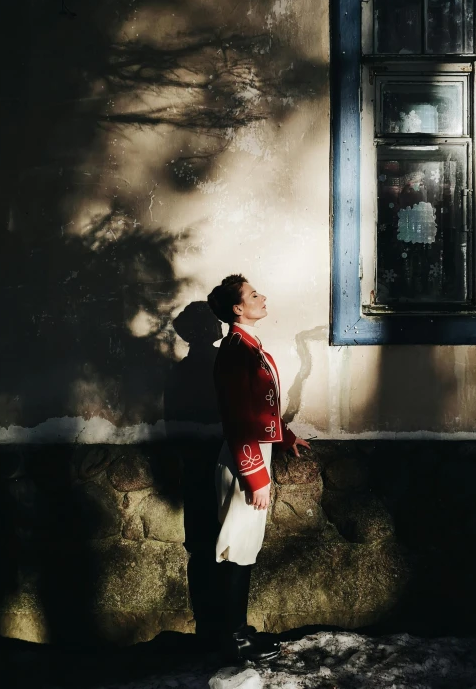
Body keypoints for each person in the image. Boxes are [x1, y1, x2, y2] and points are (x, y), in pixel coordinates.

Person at [207, 274, 310, 661]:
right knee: (237, 547)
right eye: (253, 295)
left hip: (254, 453)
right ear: (238, 308)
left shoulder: (249, 347)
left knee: (246, 545)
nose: (262, 297)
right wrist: (255, 477)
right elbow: (237, 417)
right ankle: (233, 640)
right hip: (243, 459)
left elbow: (260, 406)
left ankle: (237, 631)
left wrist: (284, 437)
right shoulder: (236, 350)